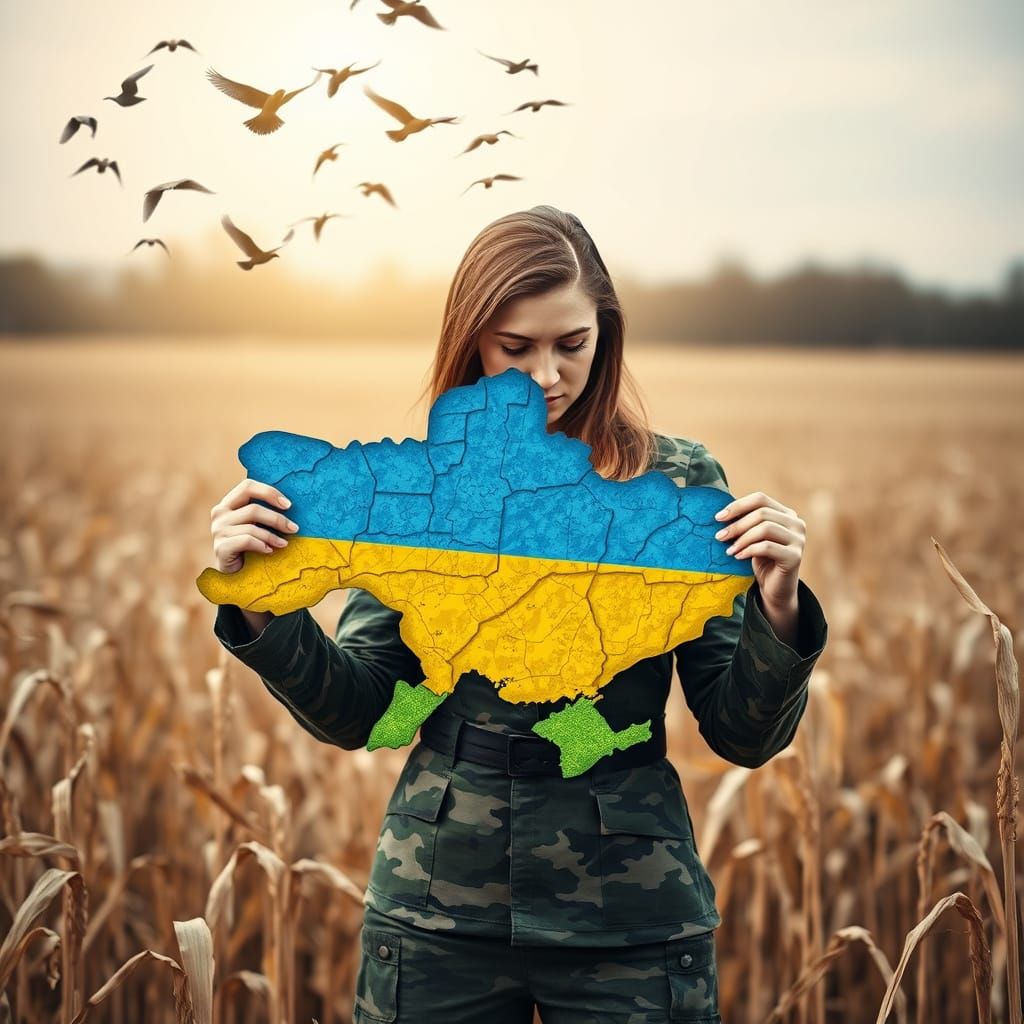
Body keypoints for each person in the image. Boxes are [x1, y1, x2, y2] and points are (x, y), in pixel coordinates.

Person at [208, 205, 829, 1023]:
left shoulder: (674, 479)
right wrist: (262, 607)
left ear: (606, 331)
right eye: (516, 348)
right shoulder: (424, 487)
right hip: (439, 908)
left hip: (631, 914)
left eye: (572, 344)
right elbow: (361, 710)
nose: (547, 376)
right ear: (470, 342)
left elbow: (742, 734)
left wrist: (777, 610)